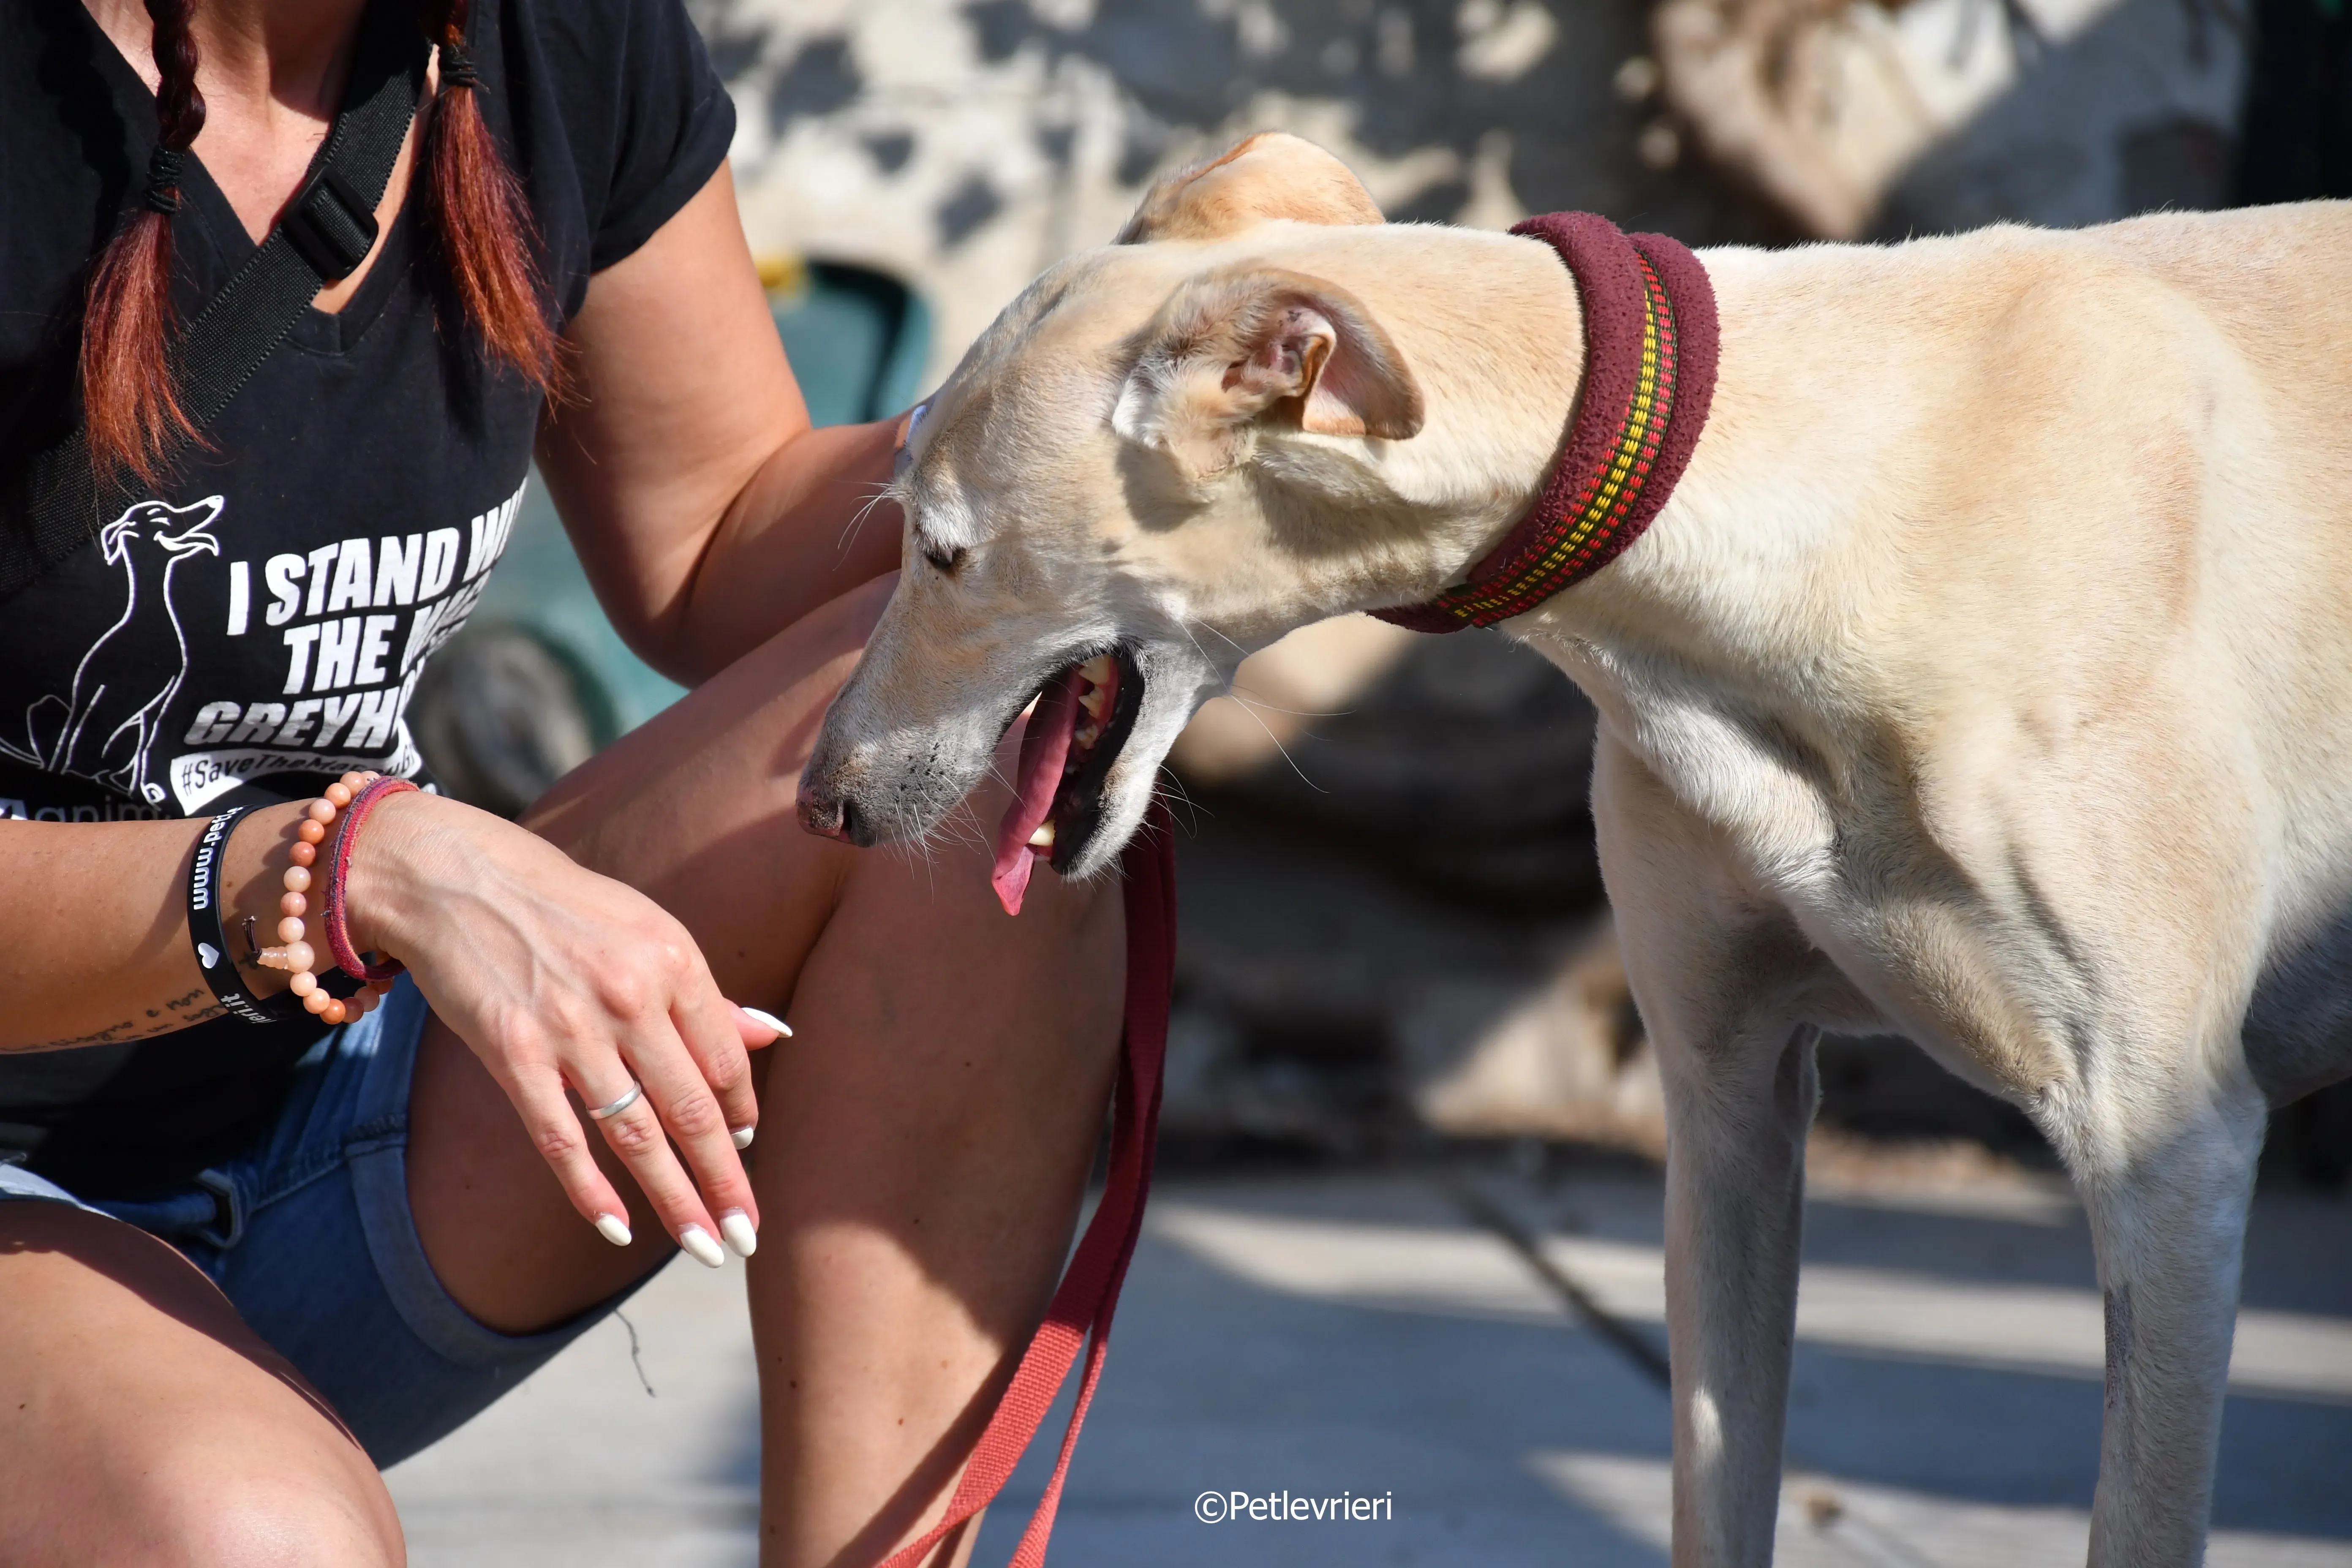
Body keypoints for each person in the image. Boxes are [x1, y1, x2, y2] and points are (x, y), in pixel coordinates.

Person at [0, 0, 1127, 1562]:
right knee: (256, 1541)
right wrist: (357, 865)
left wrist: (1055, 424)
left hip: (331, 1100)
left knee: (972, 710)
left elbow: (720, 529)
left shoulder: (553, 37)